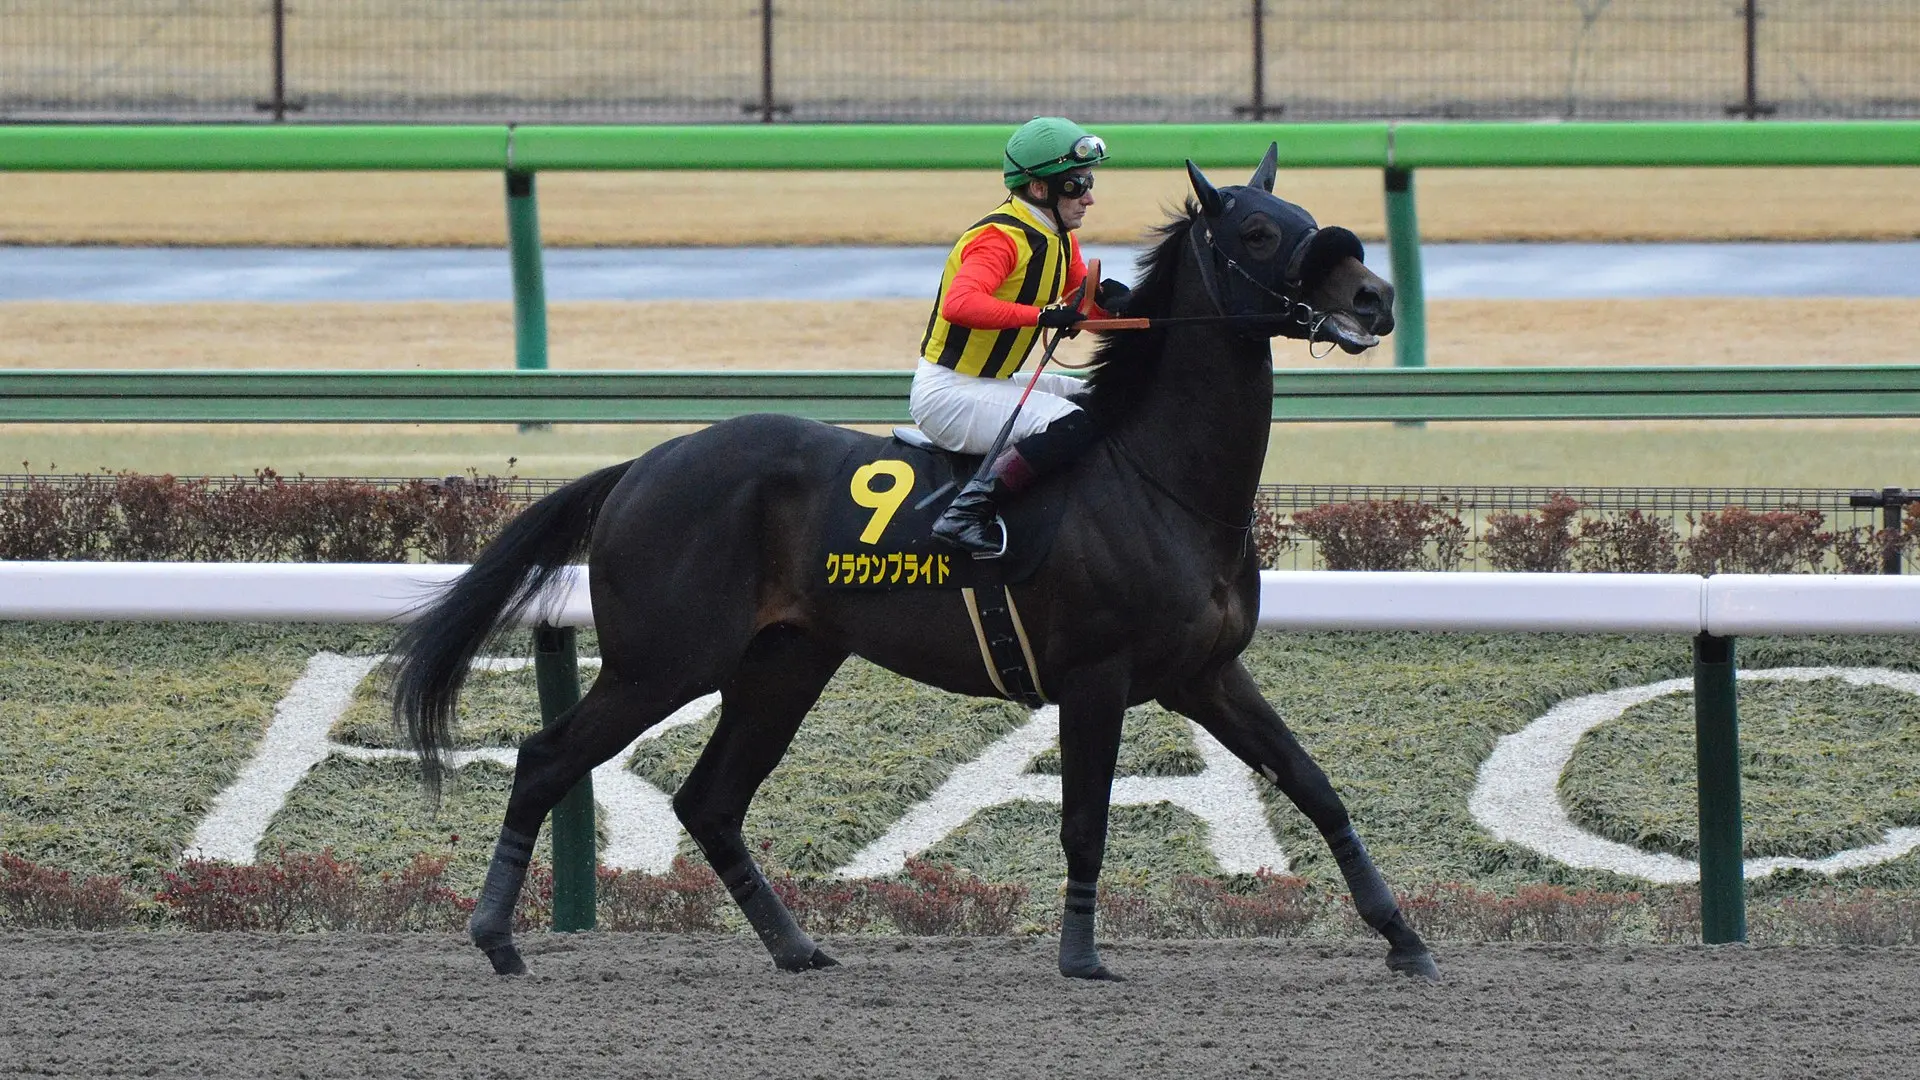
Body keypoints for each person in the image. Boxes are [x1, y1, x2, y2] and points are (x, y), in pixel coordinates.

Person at [915, 116, 1131, 557]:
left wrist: (1137, 305)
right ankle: (964, 515)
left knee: (1105, 398)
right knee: (1072, 423)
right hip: (948, 393)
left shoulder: (1058, 236)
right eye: (1076, 184)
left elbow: (1082, 302)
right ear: (1039, 189)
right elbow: (961, 303)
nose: (1089, 197)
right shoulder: (998, 239)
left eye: (1089, 181)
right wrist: (1042, 316)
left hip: (995, 383)